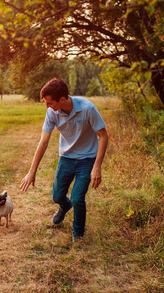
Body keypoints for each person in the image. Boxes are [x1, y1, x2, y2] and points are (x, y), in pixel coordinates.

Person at [20, 78, 108, 243]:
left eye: (49, 102)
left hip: (87, 159)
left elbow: (103, 136)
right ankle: (64, 206)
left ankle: (78, 234)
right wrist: (32, 171)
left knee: (77, 198)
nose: (47, 106)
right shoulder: (52, 112)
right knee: (57, 196)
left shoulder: (87, 108)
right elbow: (44, 141)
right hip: (66, 158)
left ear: (62, 99)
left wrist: (97, 166)